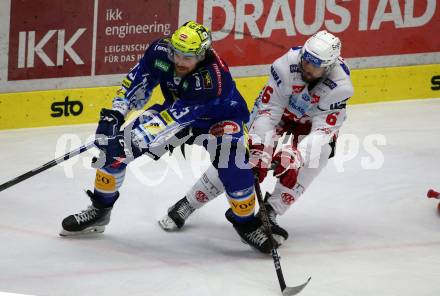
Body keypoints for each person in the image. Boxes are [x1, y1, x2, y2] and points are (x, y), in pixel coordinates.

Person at [60, 21, 277, 253]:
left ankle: (246, 224)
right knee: (111, 155)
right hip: (174, 110)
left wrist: (130, 140)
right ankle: (100, 211)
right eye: (176, 53)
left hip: (218, 119)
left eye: (188, 57)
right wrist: (115, 113)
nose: (180, 61)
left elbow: (172, 121)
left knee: (234, 167)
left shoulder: (211, 79)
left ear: (201, 55)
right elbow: (137, 82)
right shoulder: (160, 53)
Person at [159, 30, 354, 245]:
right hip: (278, 115)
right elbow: (269, 111)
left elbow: (323, 131)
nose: (307, 67)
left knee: (319, 155)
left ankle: (270, 212)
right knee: (239, 159)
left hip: (311, 125)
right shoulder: (286, 65)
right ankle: (189, 202)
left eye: (315, 66)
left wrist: (296, 156)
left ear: (328, 67)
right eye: (306, 60)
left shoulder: (341, 87)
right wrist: (261, 149)